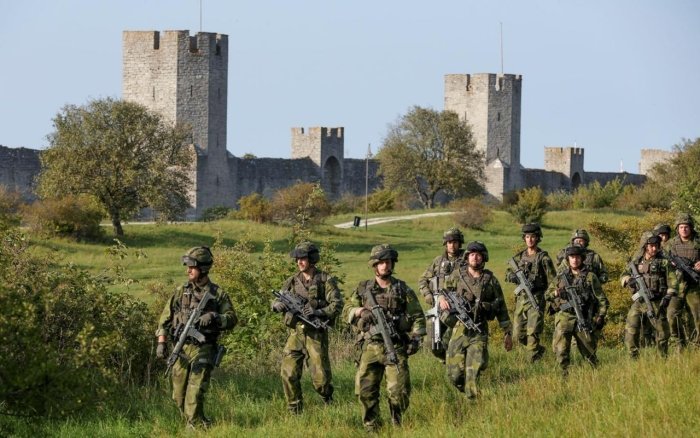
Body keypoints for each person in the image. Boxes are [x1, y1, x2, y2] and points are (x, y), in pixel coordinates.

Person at [343, 244, 426, 431]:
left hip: (395, 346)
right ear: (375, 265)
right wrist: (360, 311)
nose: (385, 266)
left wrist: (415, 338)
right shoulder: (363, 289)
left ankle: (397, 421)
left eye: (388, 262)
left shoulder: (402, 289)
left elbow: (418, 317)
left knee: (399, 392)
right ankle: (372, 427)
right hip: (370, 346)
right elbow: (345, 311)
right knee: (365, 391)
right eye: (381, 262)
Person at [156, 246, 237, 428]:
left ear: (203, 268)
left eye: (192, 267)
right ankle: (201, 422)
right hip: (182, 348)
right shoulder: (180, 291)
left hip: (204, 347)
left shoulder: (217, 294)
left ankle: (194, 427)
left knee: (194, 392)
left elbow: (232, 319)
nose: (188, 271)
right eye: (188, 267)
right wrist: (161, 343)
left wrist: (215, 317)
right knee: (178, 396)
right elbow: (164, 319)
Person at [271, 241, 343, 414]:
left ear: (312, 259)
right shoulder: (291, 281)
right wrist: (276, 305)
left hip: (315, 334)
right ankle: (294, 410)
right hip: (296, 333)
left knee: (321, 380)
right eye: (297, 259)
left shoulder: (325, 280)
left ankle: (327, 398)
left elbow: (337, 305)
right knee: (288, 373)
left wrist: (318, 311)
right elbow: (279, 298)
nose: (299, 262)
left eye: (303, 258)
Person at [439, 241, 513, 399]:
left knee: (473, 372)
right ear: (467, 257)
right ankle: (466, 390)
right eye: (472, 254)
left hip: (479, 330)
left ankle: (473, 403)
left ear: (484, 258)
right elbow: (443, 291)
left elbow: (501, 307)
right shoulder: (457, 276)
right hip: (458, 329)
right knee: (454, 375)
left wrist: (507, 332)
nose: (475, 257)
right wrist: (440, 299)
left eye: (478, 255)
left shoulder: (490, 280)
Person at [547, 245, 608, 376]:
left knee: (589, 351)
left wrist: (601, 316)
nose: (575, 260)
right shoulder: (560, 277)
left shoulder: (590, 277)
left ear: (582, 258)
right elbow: (547, 295)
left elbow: (601, 298)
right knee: (561, 350)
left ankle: (598, 376)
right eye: (572, 257)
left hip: (583, 317)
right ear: (567, 259)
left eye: (577, 257)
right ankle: (563, 377)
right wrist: (557, 293)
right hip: (564, 318)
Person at [505, 223, 557, 362]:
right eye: (527, 237)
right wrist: (513, 276)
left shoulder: (543, 258)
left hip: (537, 299)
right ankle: (539, 351)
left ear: (538, 238)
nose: (530, 240)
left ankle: (532, 363)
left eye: (533, 237)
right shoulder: (519, 257)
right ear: (524, 238)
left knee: (533, 333)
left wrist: (553, 300)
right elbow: (507, 273)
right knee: (518, 334)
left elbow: (554, 281)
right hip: (521, 300)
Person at [620, 232, 677, 358]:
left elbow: (673, 281)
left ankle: (662, 358)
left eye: (656, 245)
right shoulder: (636, 261)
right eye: (651, 246)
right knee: (631, 331)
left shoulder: (664, 262)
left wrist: (668, 296)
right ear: (645, 246)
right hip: (639, 303)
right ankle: (633, 358)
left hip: (656, 302)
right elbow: (623, 275)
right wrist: (629, 280)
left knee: (662, 333)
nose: (654, 248)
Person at [418, 227, 464, 361]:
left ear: (459, 243)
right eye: (449, 242)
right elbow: (423, 280)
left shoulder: (467, 259)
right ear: (445, 244)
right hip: (437, 308)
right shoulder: (438, 262)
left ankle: (457, 363)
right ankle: (446, 361)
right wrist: (428, 295)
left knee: (457, 342)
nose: (452, 245)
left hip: (458, 310)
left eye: (455, 242)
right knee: (433, 344)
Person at [666, 213, 700, 350]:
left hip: (694, 285)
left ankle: (697, 346)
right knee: (671, 315)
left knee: (698, 315)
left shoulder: (698, 242)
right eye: (681, 227)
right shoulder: (670, 244)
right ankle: (680, 343)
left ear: (691, 228)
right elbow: (660, 259)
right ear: (677, 229)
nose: (684, 229)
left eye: (686, 227)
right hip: (676, 286)